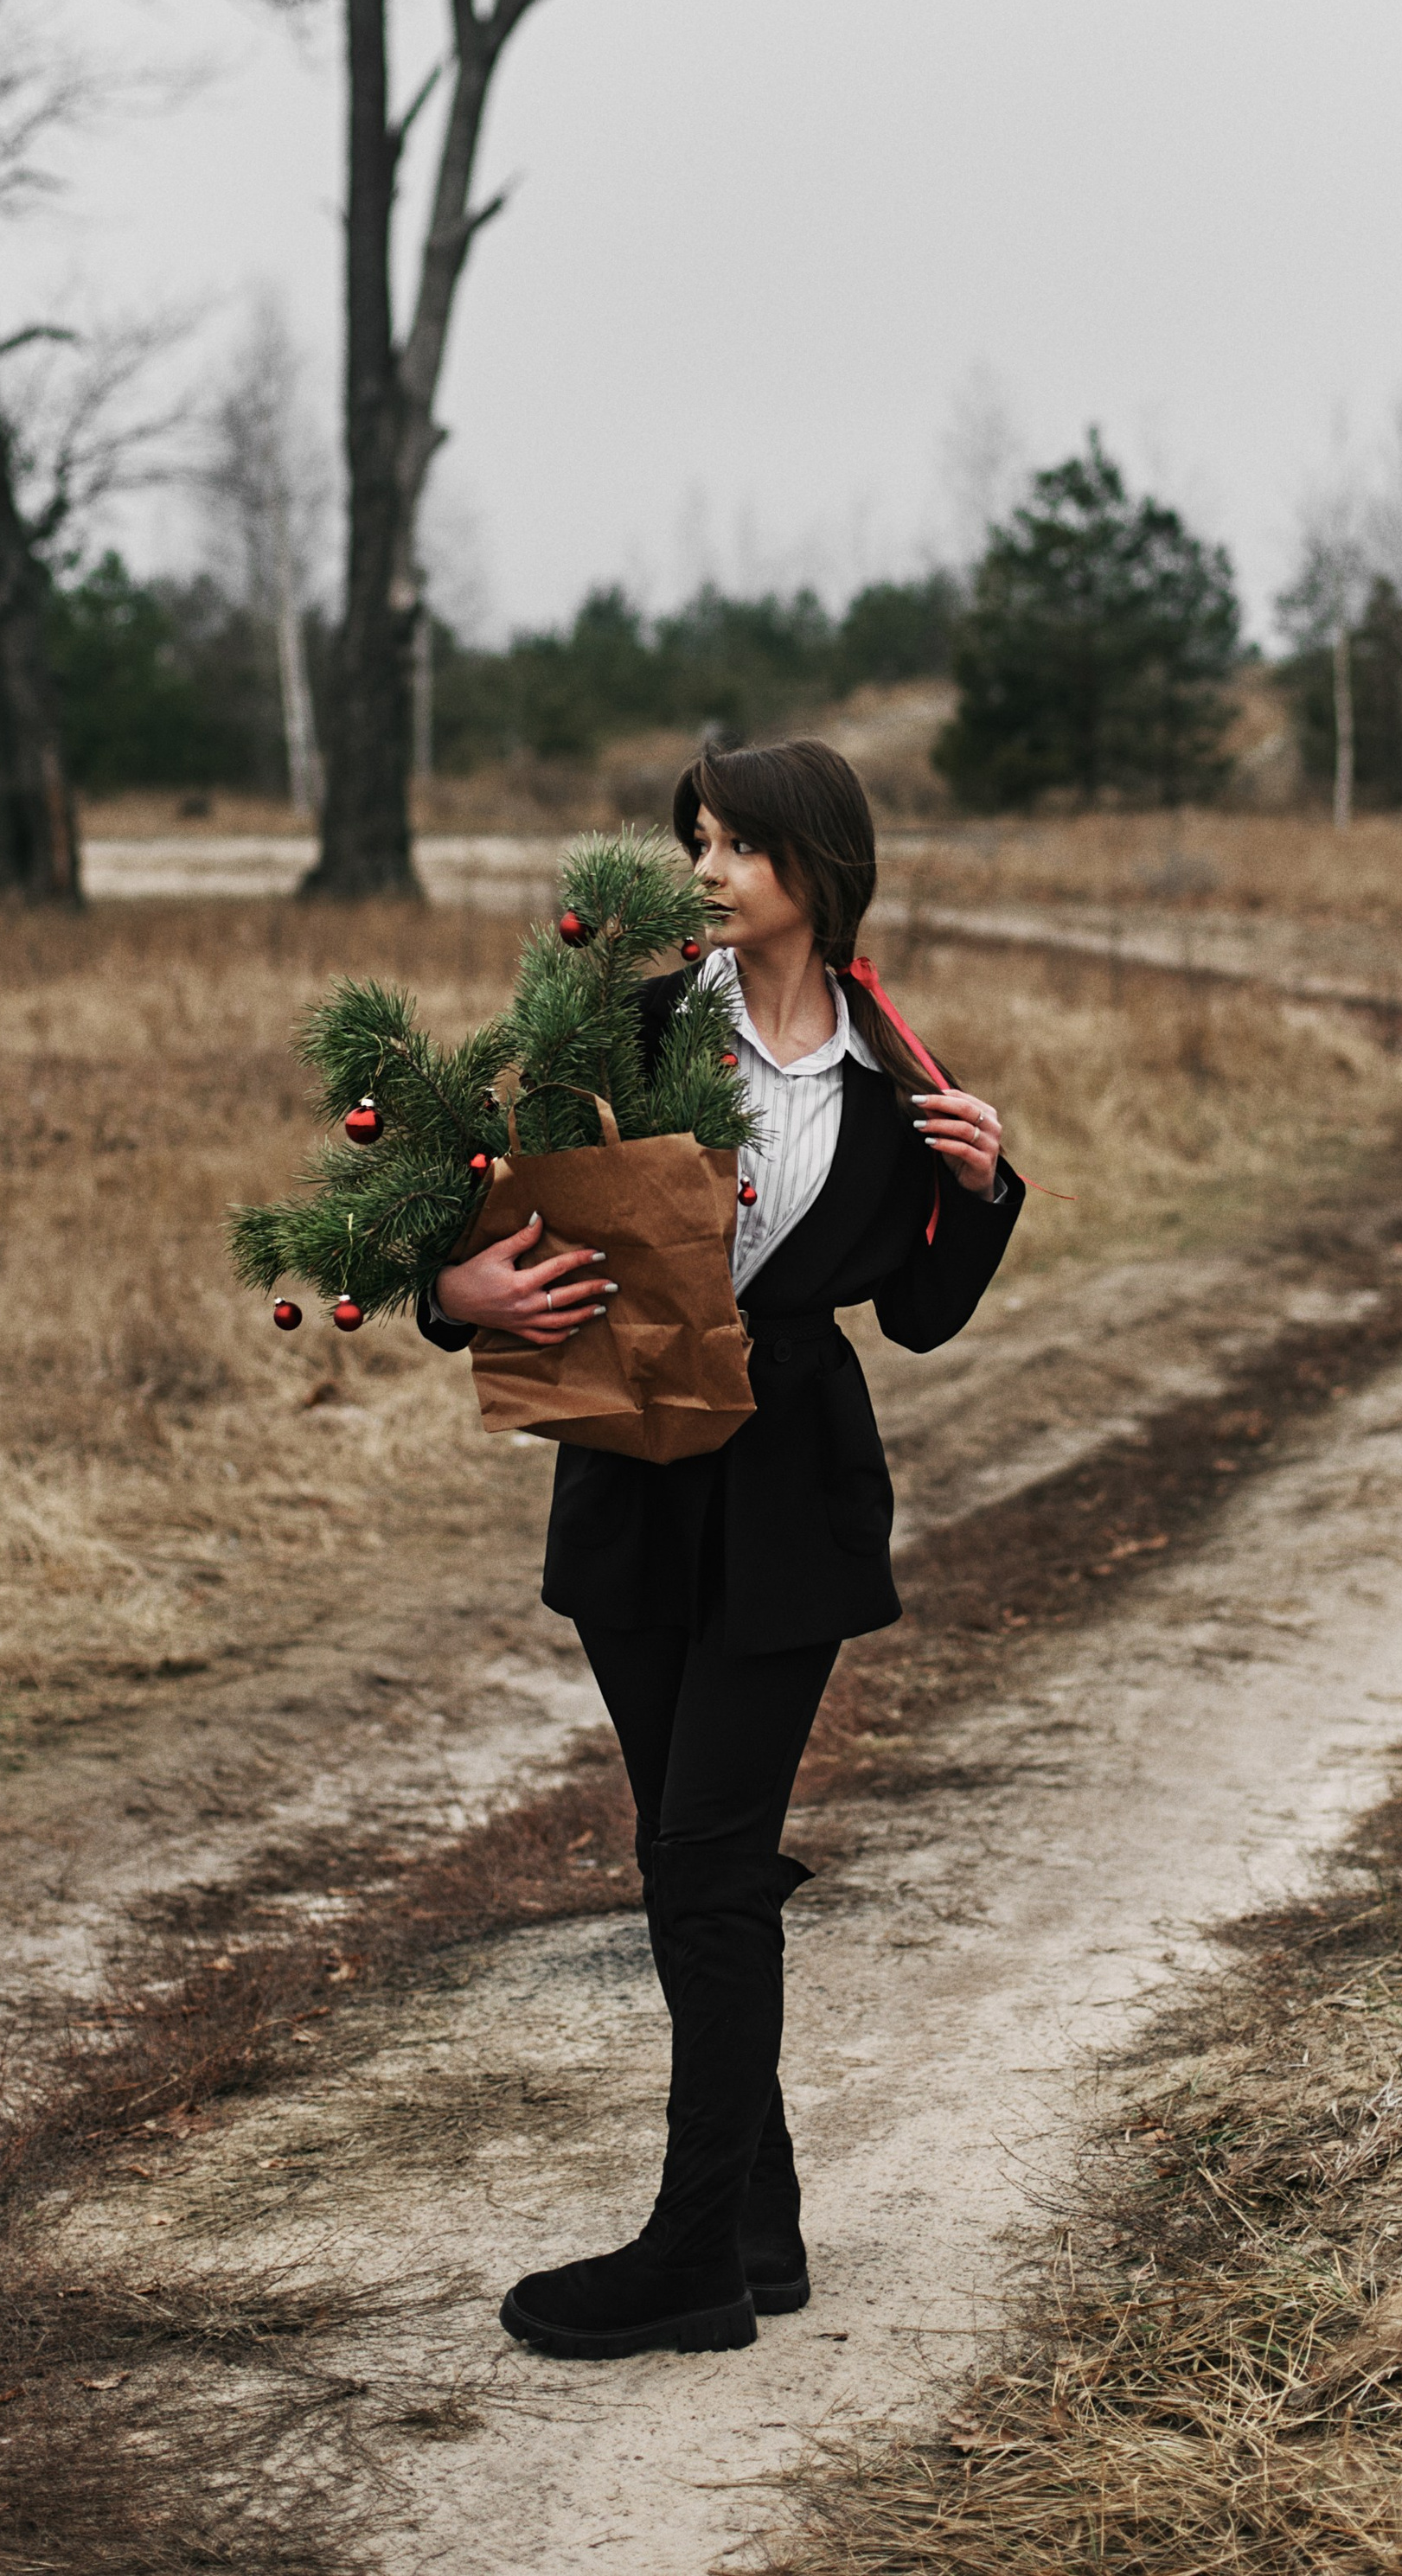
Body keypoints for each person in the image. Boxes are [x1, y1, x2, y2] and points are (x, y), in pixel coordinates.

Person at [423, 738, 1022, 2361]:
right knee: (688, 1864)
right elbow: (458, 1210)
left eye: (737, 843)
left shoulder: (893, 1073)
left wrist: (979, 1189)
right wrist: (454, 1296)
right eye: (694, 838)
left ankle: (691, 2253)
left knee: (705, 1866)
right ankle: (757, 2224)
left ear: (816, 866)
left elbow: (920, 1315)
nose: (702, 868)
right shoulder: (623, 1024)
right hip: (629, 1482)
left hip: (788, 1507)